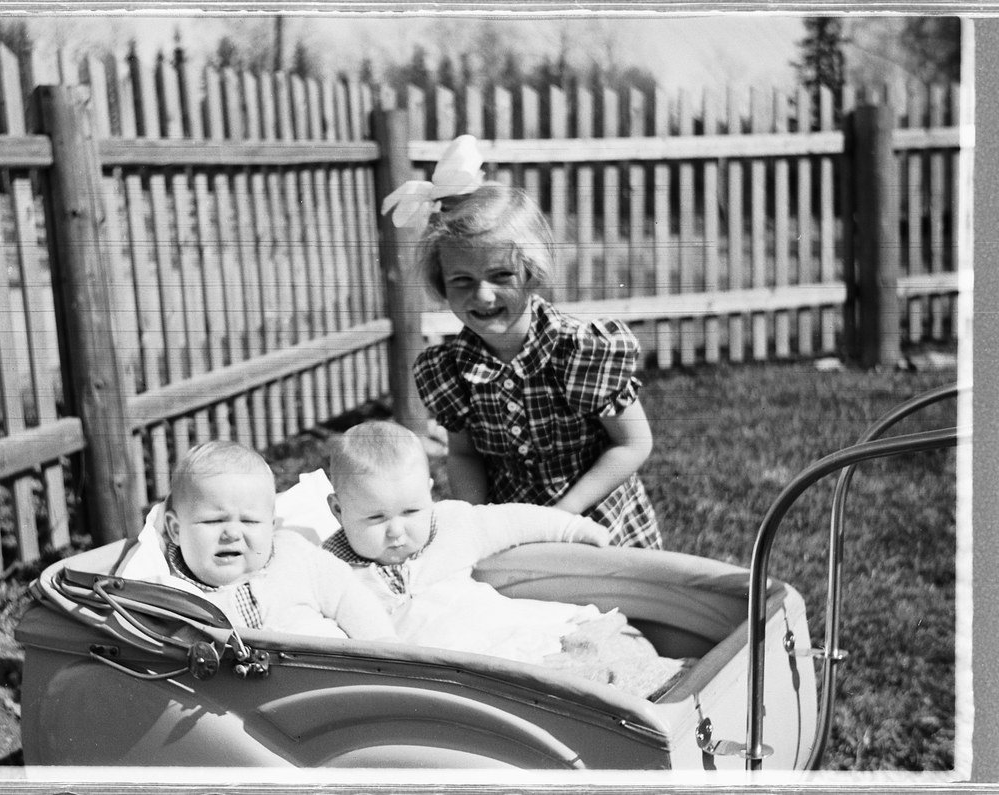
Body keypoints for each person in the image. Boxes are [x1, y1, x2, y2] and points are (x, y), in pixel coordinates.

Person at [383, 135, 661, 549]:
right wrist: (477, 529)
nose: (483, 295)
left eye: (501, 276)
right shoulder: (450, 370)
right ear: (443, 285)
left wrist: (558, 518)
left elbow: (633, 443)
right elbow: (464, 455)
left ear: (530, 271)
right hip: (516, 538)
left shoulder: (579, 350)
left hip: (601, 529)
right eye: (462, 281)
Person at [321, 421, 686, 699]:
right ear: (338, 510)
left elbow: (511, 521)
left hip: (511, 629)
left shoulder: (449, 524)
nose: (396, 532)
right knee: (574, 689)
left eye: (411, 510)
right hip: (476, 667)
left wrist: (573, 528)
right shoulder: (330, 570)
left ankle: (677, 678)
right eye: (375, 519)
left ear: (429, 494)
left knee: (598, 642)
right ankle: (660, 697)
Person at [116, 440, 397, 641]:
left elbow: (348, 597)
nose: (232, 533)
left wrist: (384, 648)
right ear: (175, 530)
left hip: (329, 681)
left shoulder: (296, 556)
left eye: (249, 521)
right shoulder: (174, 595)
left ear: (271, 526)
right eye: (214, 521)